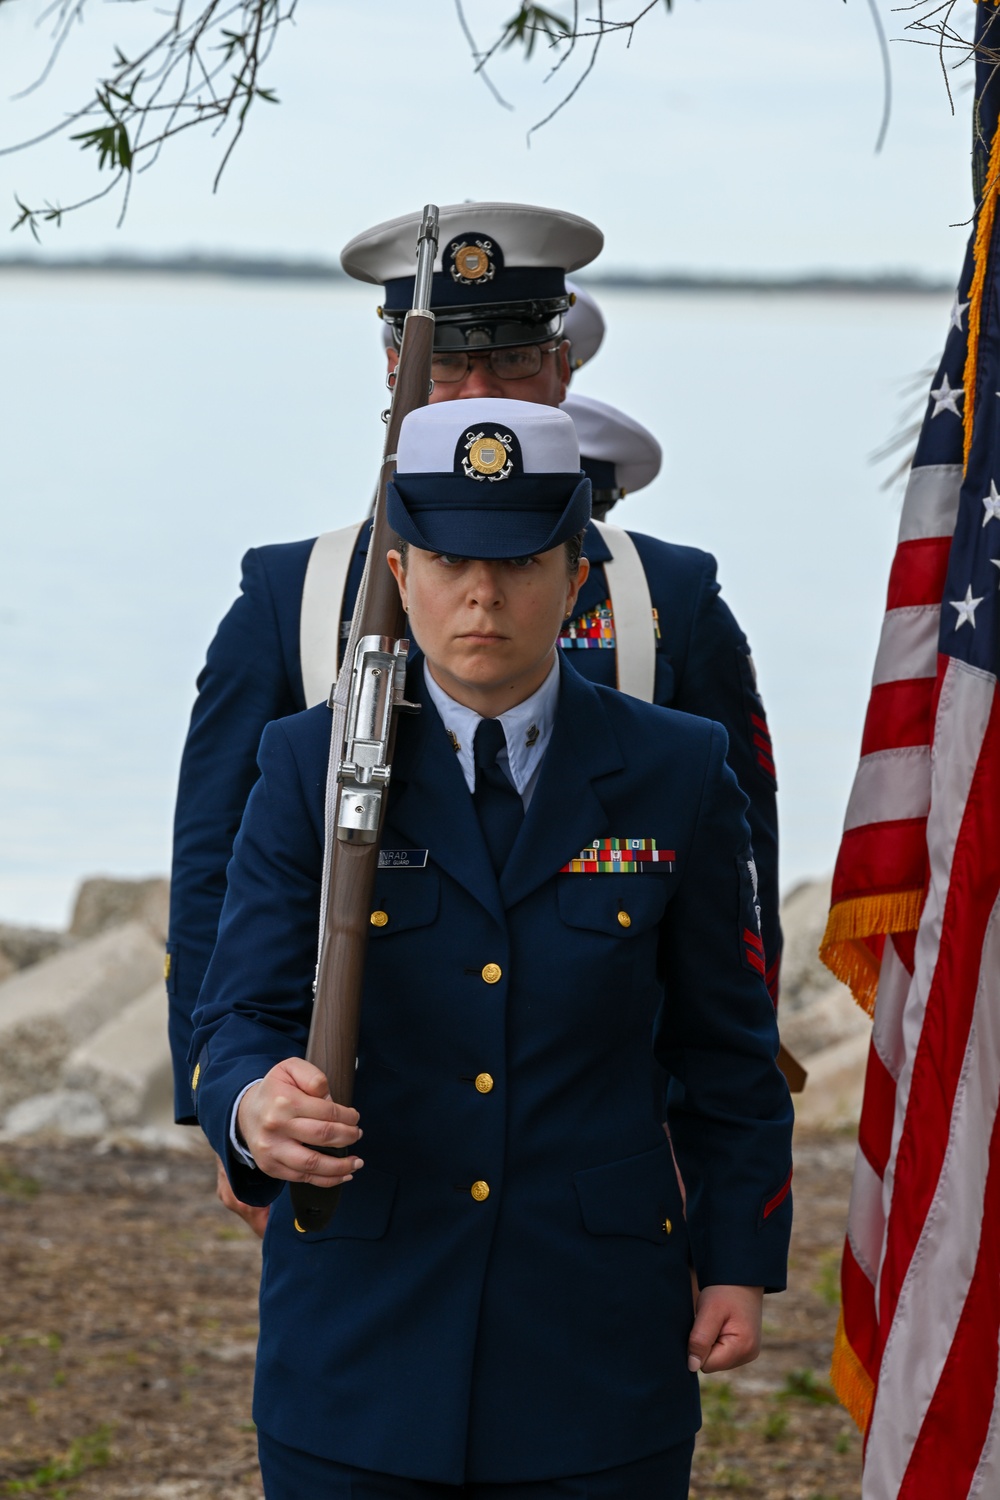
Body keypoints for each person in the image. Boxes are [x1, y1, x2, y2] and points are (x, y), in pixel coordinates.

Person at [189, 398, 793, 1499]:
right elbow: (241, 1015)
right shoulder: (310, 763)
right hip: (362, 1333)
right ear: (400, 569)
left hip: (594, 1341)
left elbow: (726, 1045)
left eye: (518, 561)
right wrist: (248, 1108)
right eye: (453, 559)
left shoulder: (677, 768)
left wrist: (739, 1262)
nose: (482, 594)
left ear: (573, 578)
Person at [168, 202, 780, 1144]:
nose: (476, 390)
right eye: (446, 359)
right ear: (395, 370)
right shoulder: (295, 593)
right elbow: (216, 872)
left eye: (512, 356)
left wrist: (712, 1143)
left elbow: (739, 888)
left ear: (564, 367)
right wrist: (228, 1110)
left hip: (611, 1141)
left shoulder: (669, 595)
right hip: (364, 1134)